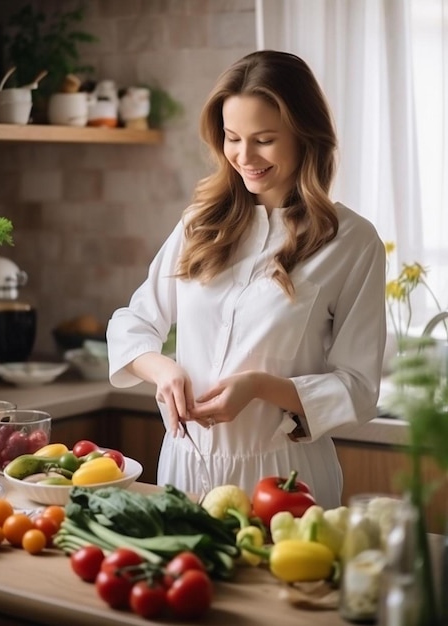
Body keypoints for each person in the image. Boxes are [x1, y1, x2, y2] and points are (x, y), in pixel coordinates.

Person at [107, 50, 387, 509]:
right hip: (184, 467)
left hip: (285, 480)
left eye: (264, 139)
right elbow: (133, 321)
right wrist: (163, 369)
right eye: (232, 137)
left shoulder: (352, 241)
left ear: (304, 136)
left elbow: (357, 387)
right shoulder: (201, 223)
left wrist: (258, 387)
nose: (243, 156)